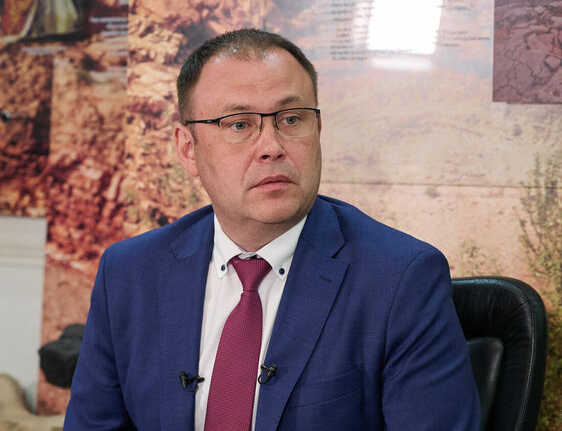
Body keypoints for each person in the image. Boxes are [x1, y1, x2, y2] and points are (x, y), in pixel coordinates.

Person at [64, 28, 480, 430]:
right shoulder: (130, 273)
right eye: (239, 124)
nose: (272, 147)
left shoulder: (399, 279)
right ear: (188, 149)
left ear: (318, 130)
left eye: (291, 119)